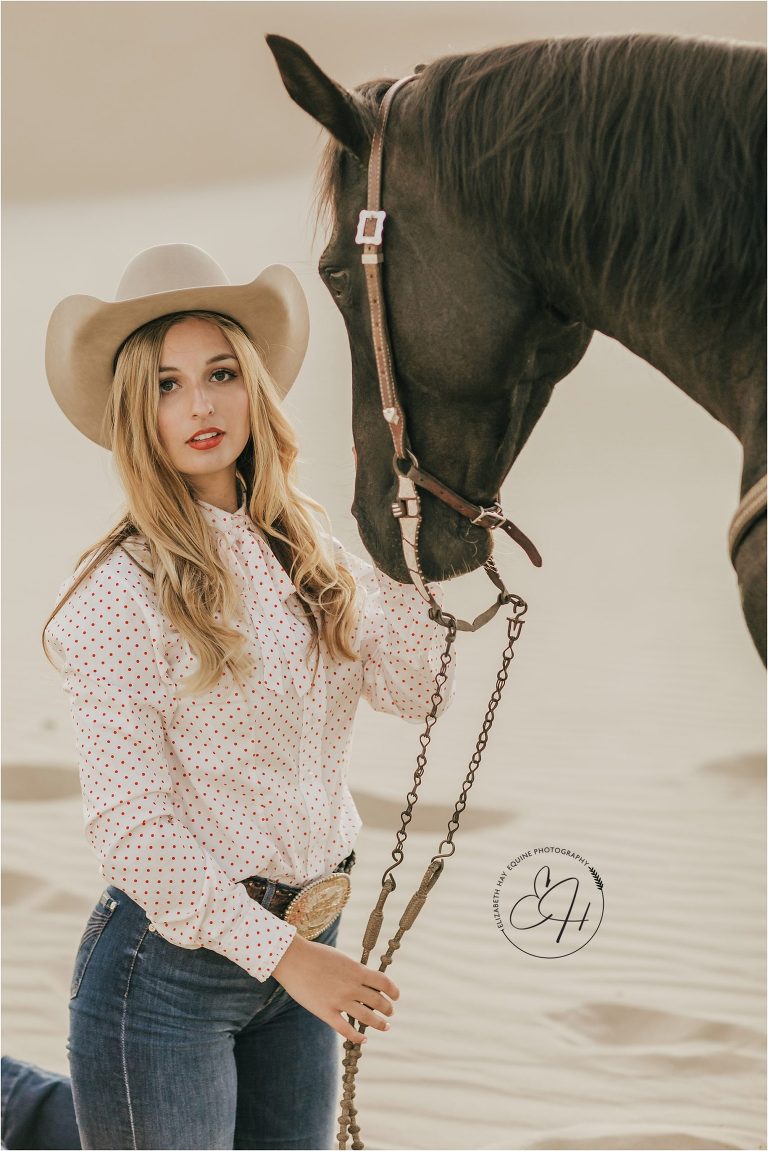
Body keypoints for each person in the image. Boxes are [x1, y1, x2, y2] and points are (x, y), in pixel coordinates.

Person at [2, 244, 457, 1151]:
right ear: (138, 409)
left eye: (219, 373)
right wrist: (292, 961)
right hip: (168, 976)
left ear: (253, 384)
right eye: (168, 385)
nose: (201, 405)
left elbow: (415, 689)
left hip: (300, 952)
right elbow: (131, 830)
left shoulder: (311, 548)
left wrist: (411, 541)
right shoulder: (117, 597)